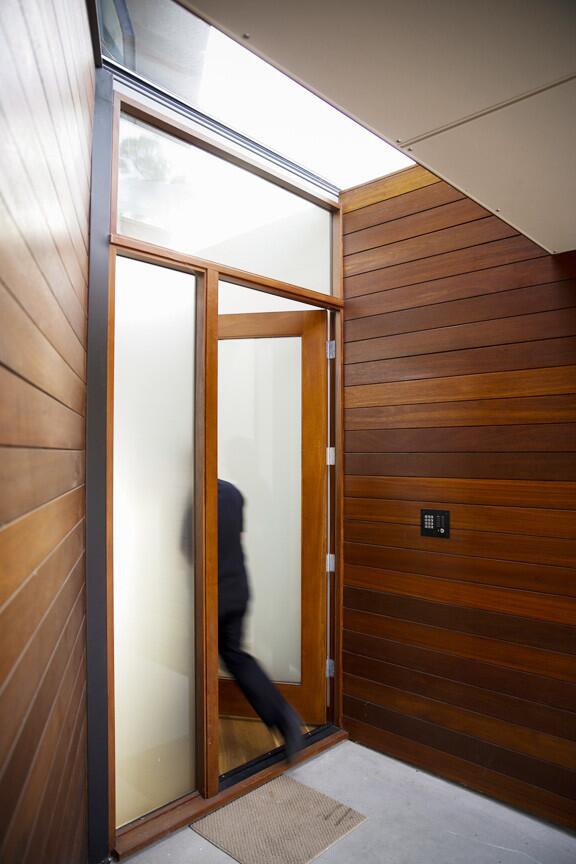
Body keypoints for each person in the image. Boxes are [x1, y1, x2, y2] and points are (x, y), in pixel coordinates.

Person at [217, 478, 303, 761]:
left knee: (200, 658)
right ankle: (284, 716)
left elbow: (184, 548)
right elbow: (237, 538)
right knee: (236, 654)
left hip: (212, 594)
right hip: (238, 588)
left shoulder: (194, 497)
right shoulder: (233, 493)